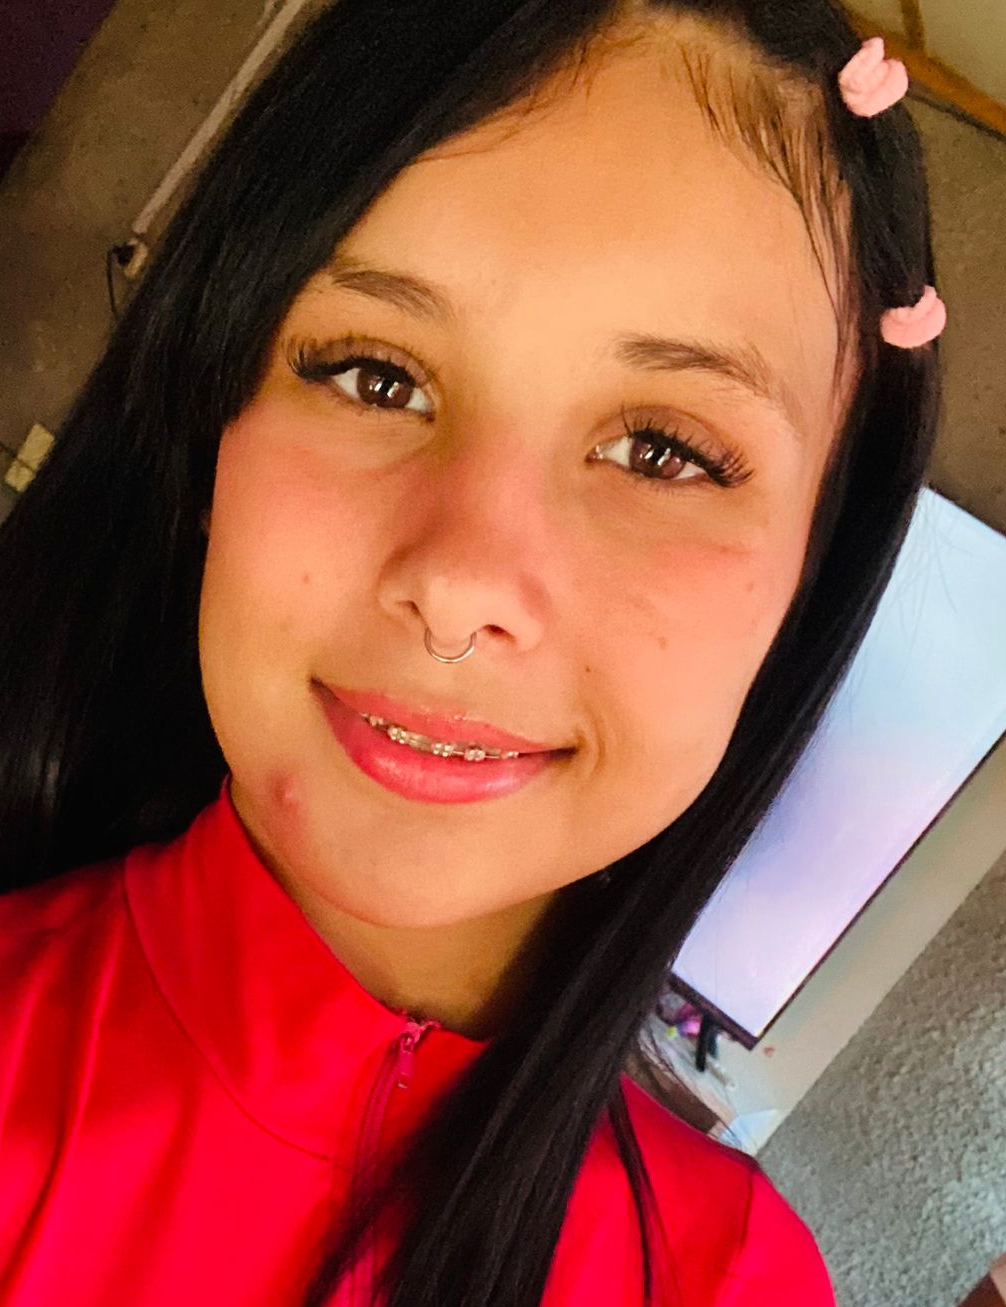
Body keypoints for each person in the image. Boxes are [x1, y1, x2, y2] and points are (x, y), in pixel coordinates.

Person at [0, 1, 945, 1304]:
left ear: (807, 577)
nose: (459, 587)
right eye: (374, 376)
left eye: (662, 451)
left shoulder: (735, 1277)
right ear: (211, 420)